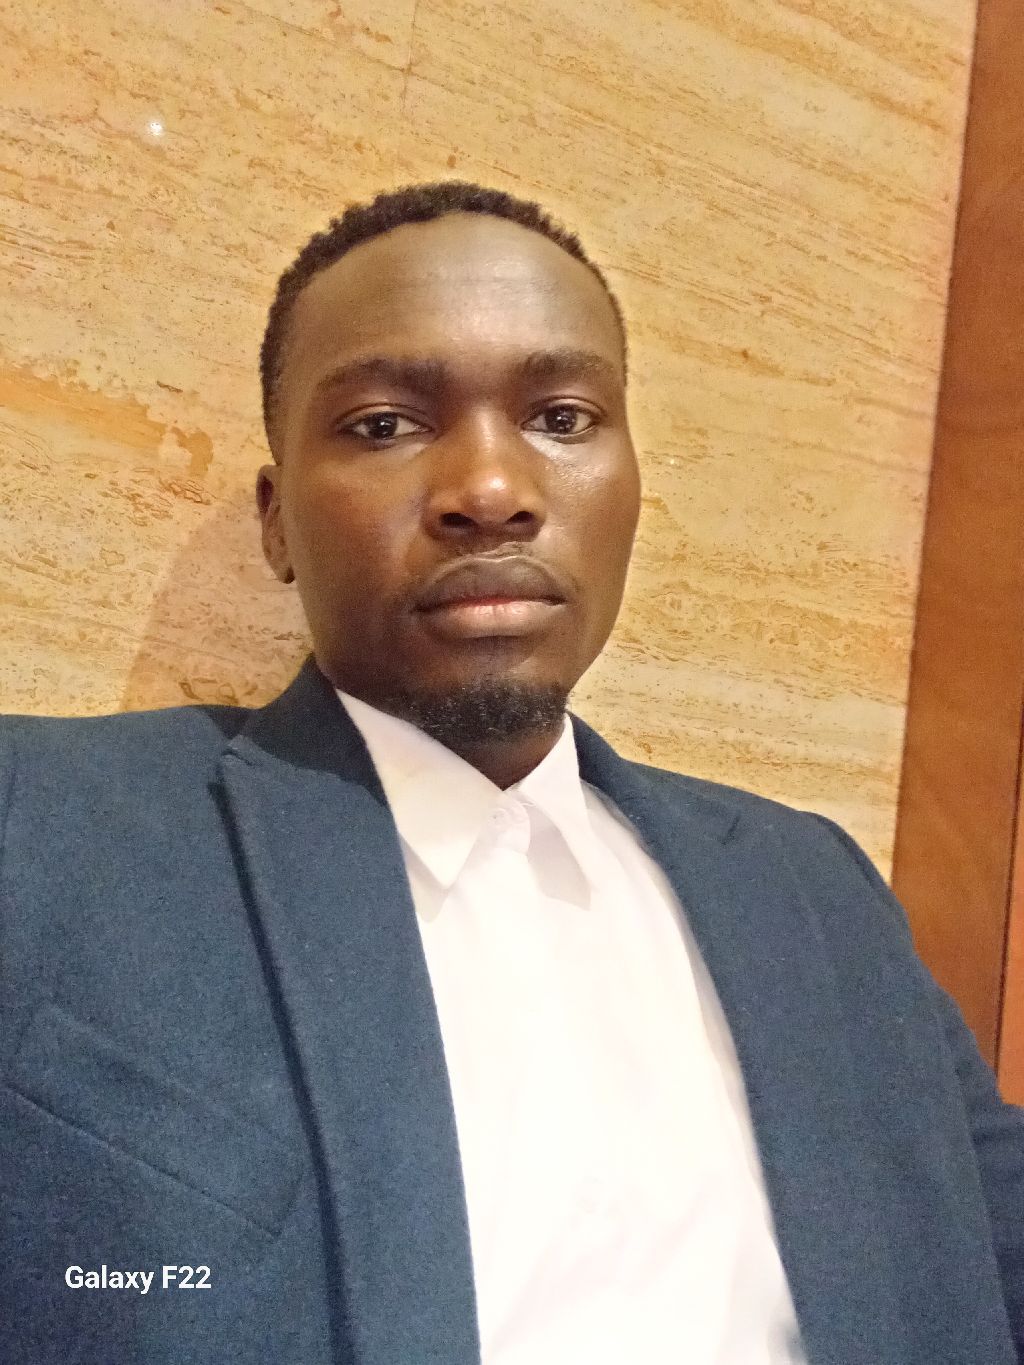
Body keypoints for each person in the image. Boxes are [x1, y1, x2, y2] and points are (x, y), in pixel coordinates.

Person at [0, 180, 1021, 1365]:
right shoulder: (48, 829)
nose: (490, 490)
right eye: (384, 424)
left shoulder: (814, 890)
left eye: (561, 417)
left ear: (634, 485)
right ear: (276, 522)